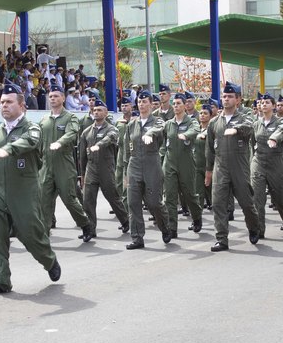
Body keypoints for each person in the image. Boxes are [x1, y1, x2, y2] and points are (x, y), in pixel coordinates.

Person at [0, 84, 61, 296]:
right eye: (2, 102)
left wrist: (9, 149)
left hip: (24, 191)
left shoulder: (32, 128)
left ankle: (49, 260)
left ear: (22, 106)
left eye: (9, 102)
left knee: (30, 235)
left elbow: (30, 142)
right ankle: (0, 280)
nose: (4, 105)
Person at [205, 81, 261, 251]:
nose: (226, 99)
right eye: (224, 96)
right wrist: (208, 171)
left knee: (246, 202)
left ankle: (253, 227)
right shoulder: (214, 123)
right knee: (218, 203)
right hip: (220, 167)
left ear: (238, 100)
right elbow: (209, 149)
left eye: (230, 96)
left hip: (239, 168)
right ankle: (221, 239)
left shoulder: (245, 118)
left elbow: (249, 127)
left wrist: (236, 129)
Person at [39, 85, 95, 241]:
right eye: (51, 96)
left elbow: (72, 132)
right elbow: (37, 142)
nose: (53, 99)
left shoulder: (70, 117)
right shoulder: (44, 120)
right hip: (46, 166)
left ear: (63, 98)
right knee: (44, 200)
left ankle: (86, 225)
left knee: (69, 199)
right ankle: (44, 231)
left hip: (63, 165)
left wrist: (60, 142)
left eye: (56, 96)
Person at [124, 90, 171, 249]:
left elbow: (160, 128)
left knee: (154, 203)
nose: (141, 104)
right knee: (133, 202)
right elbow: (126, 150)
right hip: (134, 164)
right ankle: (137, 237)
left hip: (152, 164)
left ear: (151, 104)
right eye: (139, 101)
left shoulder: (157, 121)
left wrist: (149, 133)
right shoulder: (132, 124)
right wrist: (126, 172)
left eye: (145, 102)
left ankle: (165, 226)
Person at [79, 99, 130, 236]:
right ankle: (90, 229)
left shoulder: (111, 128)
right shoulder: (86, 132)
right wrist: (83, 174)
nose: (96, 112)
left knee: (112, 197)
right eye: (94, 110)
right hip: (91, 168)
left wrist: (99, 145)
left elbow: (111, 138)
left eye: (99, 110)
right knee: (88, 199)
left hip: (106, 168)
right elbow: (82, 155)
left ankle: (125, 221)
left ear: (106, 113)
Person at [252, 94, 283, 239]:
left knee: (279, 198)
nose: (263, 104)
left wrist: (274, 138)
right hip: (259, 161)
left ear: (273, 106)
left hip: (276, 162)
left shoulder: (281, 122)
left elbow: (282, 131)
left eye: (267, 102)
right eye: (262, 102)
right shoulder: (256, 123)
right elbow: (253, 142)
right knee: (257, 197)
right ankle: (258, 229)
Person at [160, 93, 203, 237]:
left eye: (179, 103)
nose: (176, 106)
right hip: (170, 163)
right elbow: (162, 140)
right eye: (175, 103)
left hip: (186, 163)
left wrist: (186, 135)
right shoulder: (168, 124)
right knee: (170, 197)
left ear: (185, 105)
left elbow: (195, 130)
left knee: (189, 195)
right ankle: (172, 228)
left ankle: (197, 217)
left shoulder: (191, 122)